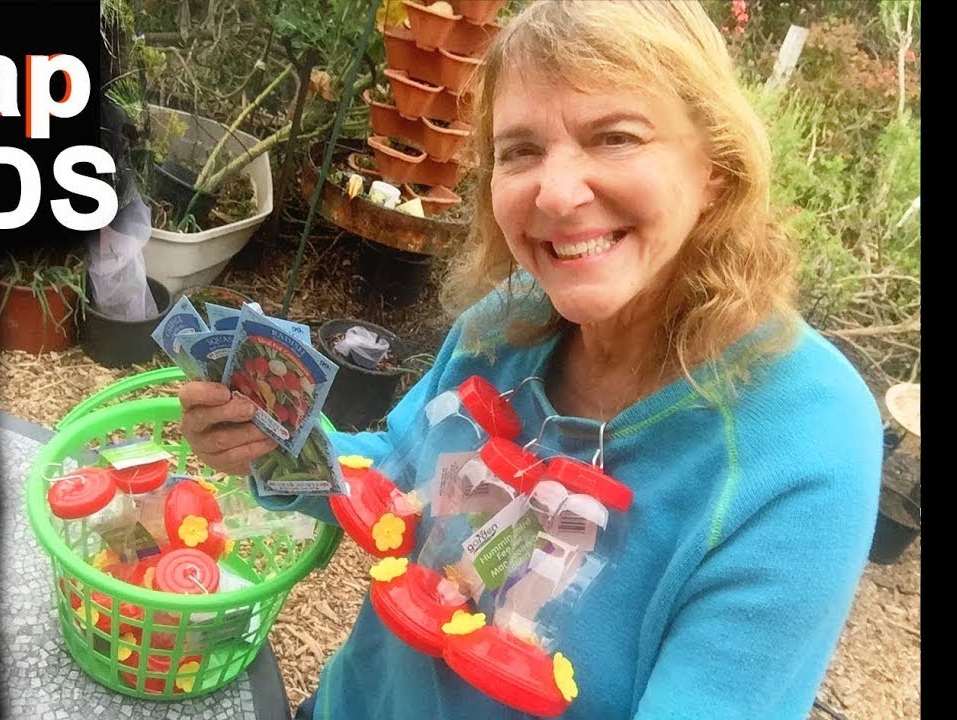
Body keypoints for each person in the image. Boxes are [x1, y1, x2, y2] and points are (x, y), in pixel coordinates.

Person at [178, 1, 883, 717]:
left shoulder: (804, 445)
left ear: (716, 171)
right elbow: (401, 474)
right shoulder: (505, 321)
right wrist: (275, 445)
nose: (556, 192)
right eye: (520, 150)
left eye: (615, 137)